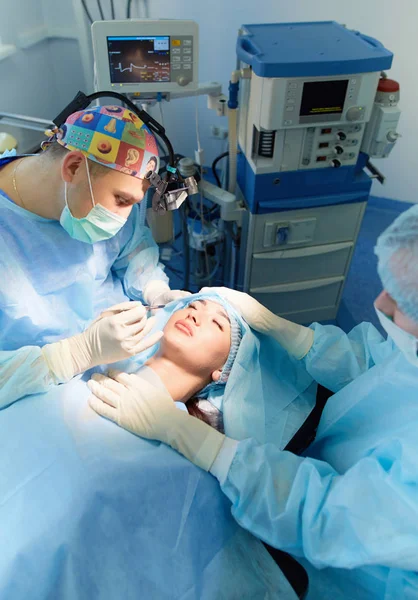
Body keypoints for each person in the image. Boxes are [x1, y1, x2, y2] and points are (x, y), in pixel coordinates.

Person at [89, 203, 418, 599]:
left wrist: (188, 435)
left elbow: (334, 519)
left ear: (223, 374)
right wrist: (283, 329)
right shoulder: (99, 360)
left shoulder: (190, 449)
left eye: (405, 299)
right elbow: (370, 363)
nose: (380, 303)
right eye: (194, 305)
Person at [0, 105, 189, 405]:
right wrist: (75, 354)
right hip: (35, 394)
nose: (124, 218)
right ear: (74, 168)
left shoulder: (100, 196)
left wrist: (154, 289)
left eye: (133, 203)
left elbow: (133, 250)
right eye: (121, 200)